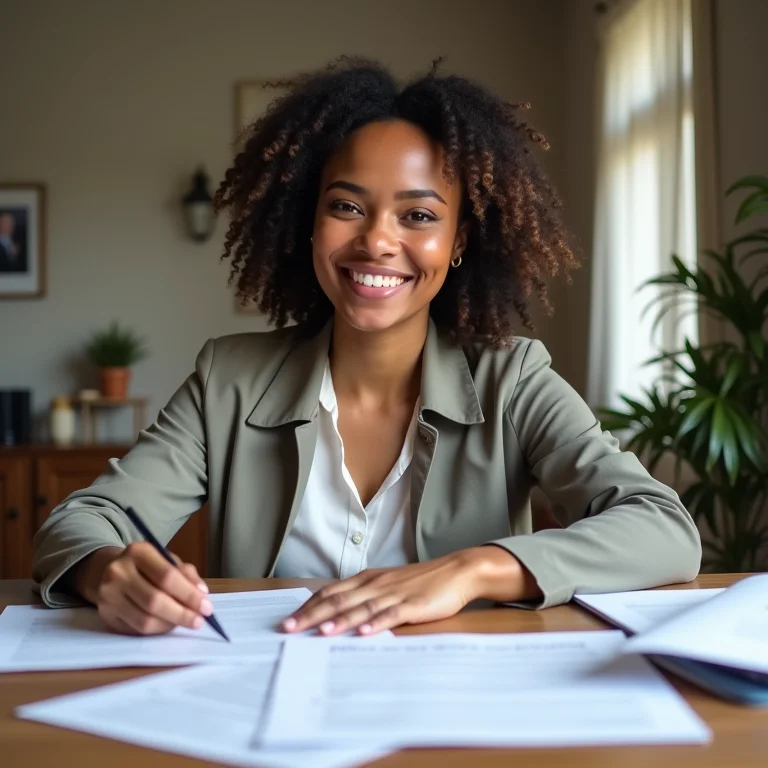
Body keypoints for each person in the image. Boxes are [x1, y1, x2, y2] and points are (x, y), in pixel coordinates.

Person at [32, 58, 701, 638]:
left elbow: (662, 528)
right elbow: (83, 520)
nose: (378, 242)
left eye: (418, 215)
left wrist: (472, 569)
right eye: (347, 207)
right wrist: (108, 571)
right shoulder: (228, 380)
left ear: (459, 240)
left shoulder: (513, 378)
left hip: (455, 707)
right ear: (310, 221)